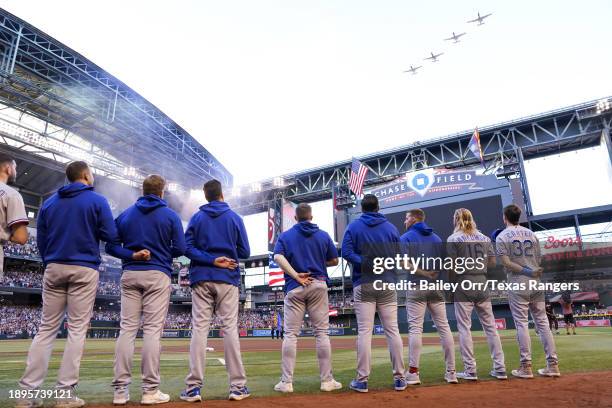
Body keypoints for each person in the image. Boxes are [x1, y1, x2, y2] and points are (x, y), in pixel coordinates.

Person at [18, 161, 149, 408]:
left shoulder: (49, 202)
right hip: (83, 267)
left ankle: (26, 395)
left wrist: (50, 261)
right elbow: (111, 236)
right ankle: (64, 394)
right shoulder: (97, 201)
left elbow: (42, 240)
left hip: (54, 266)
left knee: (46, 329)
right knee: (76, 330)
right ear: (86, 175)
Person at [108, 175, 186, 405]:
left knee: (127, 330)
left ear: (143, 191)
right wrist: (161, 252)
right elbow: (181, 248)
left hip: (130, 272)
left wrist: (131, 254)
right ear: (163, 192)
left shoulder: (126, 214)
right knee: (152, 331)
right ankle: (150, 391)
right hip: (157, 274)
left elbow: (111, 246)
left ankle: (120, 392)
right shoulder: (171, 215)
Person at [180, 179, 251, 402]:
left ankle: (193, 388)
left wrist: (210, 259)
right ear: (222, 194)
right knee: (229, 329)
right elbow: (245, 251)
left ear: (206, 195)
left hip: (201, 277)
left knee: (200, 330)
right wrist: (225, 254)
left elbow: (186, 248)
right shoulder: (234, 218)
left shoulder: (197, 217)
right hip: (227, 278)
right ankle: (238, 387)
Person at [272, 203, 342, 393]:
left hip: (295, 286)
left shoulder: (286, 236)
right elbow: (335, 260)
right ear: (311, 216)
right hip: (318, 284)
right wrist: (319, 260)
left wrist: (295, 275)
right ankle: (327, 381)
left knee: (290, 335)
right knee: (322, 333)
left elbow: (277, 257)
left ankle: (286, 383)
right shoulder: (323, 235)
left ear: (295, 218)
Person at [342, 194, 407, 393]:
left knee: (364, 332)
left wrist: (364, 261)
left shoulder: (353, 226)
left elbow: (346, 252)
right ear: (378, 207)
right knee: (392, 331)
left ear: (362, 208)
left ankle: (362, 380)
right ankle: (400, 378)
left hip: (364, 282)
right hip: (387, 282)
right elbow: (400, 255)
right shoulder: (391, 228)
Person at [496, 204, 559, 378]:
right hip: (536, 281)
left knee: (521, 323)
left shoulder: (502, 236)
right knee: (543, 323)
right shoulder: (532, 234)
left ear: (504, 217)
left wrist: (526, 271)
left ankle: (526, 366)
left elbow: (507, 263)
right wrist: (532, 271)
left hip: (518, 281)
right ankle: (553, 365)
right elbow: (539, 259)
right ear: (519, 217)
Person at [447, 208, 506, 381]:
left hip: (463, 282)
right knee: (491, 327)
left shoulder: (453, 238)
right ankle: (500, 368)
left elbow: (451, 266)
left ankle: (470, 370)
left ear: (457, 219)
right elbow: (493, 263)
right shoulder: (485, 238)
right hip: (481, 282)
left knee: (464, 327)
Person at [401, 208, 457, 385]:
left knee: (416, 329)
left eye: (407, 218)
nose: (405, 221)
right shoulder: (437, 238)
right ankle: (452, 372)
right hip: (436, 286)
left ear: (414, 219)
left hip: (416, 285)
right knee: (444, 327)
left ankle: (414, 373)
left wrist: (423, 273)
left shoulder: (406, 238)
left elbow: (404, 263)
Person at [0, 153, 29, 276]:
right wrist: (5, 235)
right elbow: (21, 237)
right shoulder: (11, 194)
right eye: (15, 168)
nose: (16, 171)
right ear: (8, 168)